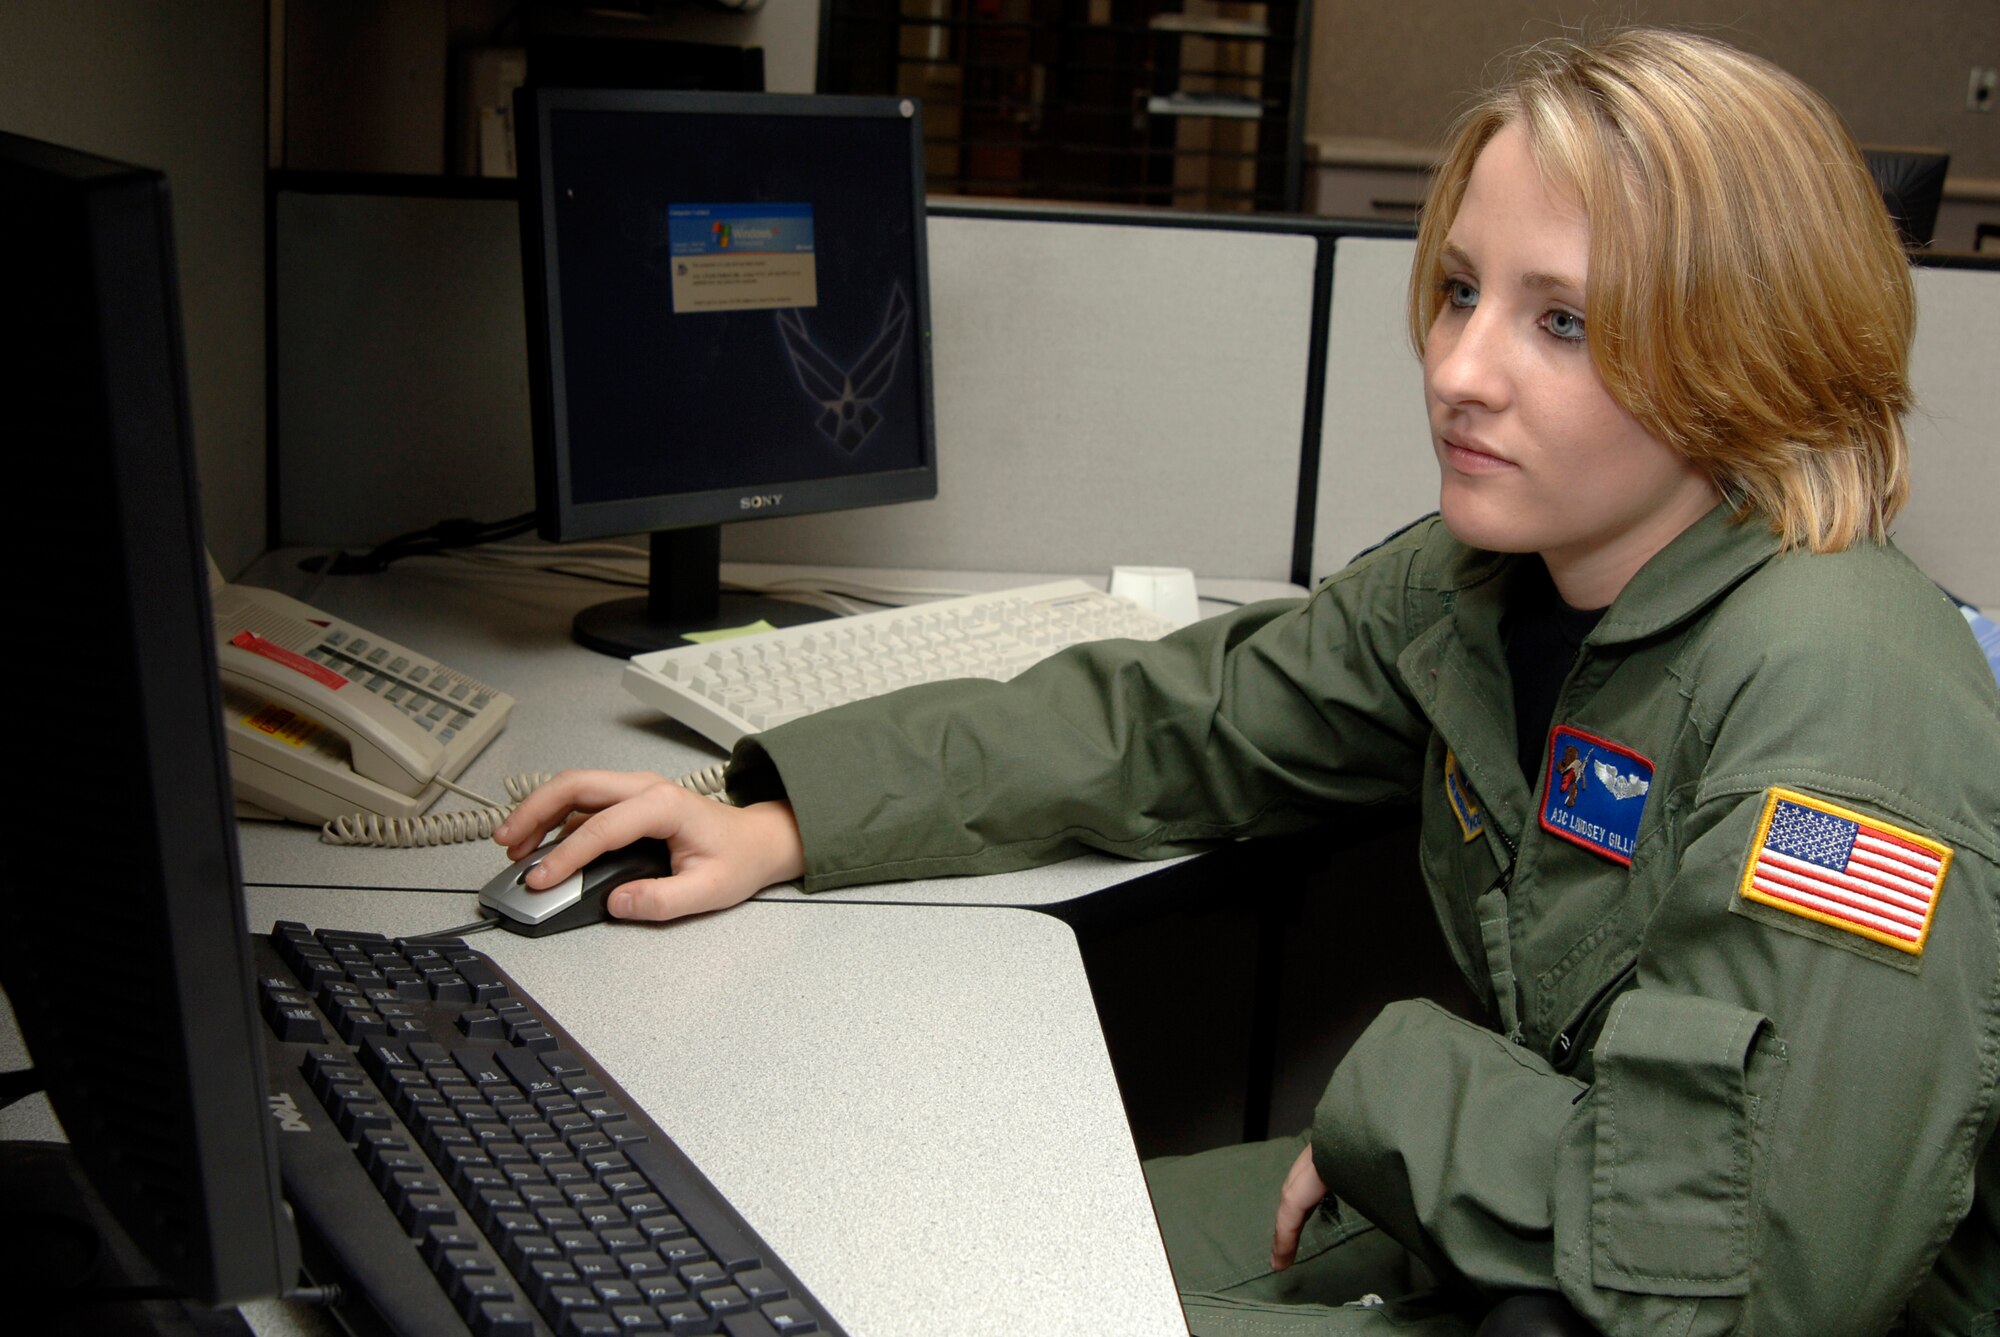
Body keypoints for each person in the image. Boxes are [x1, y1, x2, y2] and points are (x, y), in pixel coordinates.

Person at [494, 29, 2000, 1337]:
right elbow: (1186, 715)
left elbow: (1766, 1268)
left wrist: (1402, 1091)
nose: (1460, 369)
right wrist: (781, 812)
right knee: (924, 1247)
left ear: (1748, 351)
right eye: (1462, 289)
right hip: (1521, 1225)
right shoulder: (1505, 578)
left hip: (1657, 1289)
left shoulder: (1841, 702)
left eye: (1565, 321)